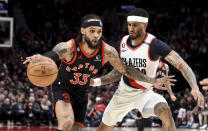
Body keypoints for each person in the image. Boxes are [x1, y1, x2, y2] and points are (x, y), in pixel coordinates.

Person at [23, 14, 173, 131]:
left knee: (75, 128)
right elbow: (53, 54)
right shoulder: (68, 47)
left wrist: (152, 80)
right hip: (63, 86)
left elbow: (126, 70)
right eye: (92, 31)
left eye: (99, 32)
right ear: (82, 30)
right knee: (67, 121)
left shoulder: (107, 51)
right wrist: (42, 57)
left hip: (82, 91)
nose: (96, 35)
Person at [91, 8, 204, 131]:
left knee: (164, 110)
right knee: (102, 128)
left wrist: (195, 87)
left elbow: (182, 65)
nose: (131, 28)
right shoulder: (120, 44)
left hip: (145, 94)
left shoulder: (154, 45)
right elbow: (116, 72)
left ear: (145, 25)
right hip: (123, 94)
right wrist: (93, 81)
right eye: (129, 25)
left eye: (135, 25)